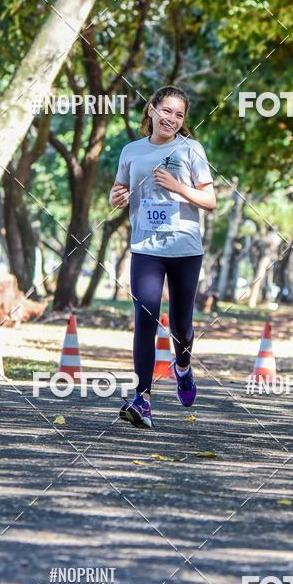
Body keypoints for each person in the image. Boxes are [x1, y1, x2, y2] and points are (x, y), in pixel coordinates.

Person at [109, 86, 216, 429]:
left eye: (179, 114)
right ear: (152, 110)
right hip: (146, 248)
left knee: (182, 326)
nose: (171, 119)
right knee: (146, 317)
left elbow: (210, 200)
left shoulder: (191, 149)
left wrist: (177, 186)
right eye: (166, 110)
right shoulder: (131, 151)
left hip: (185, 247)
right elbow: (119, 191)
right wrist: (117, 196)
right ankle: (142, 398)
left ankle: (182, 368)